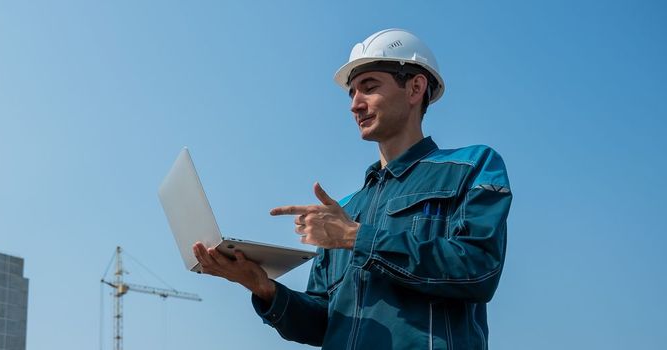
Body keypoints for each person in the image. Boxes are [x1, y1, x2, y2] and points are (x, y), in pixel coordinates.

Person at [192, 28, 512, 349]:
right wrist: (264, 289)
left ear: (415, 88)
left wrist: (357, 238)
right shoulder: (345, 211)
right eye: (352, 93)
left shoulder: (471, 167)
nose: (355, 105)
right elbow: (324, 323)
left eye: (369, 88)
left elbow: (478, 270)